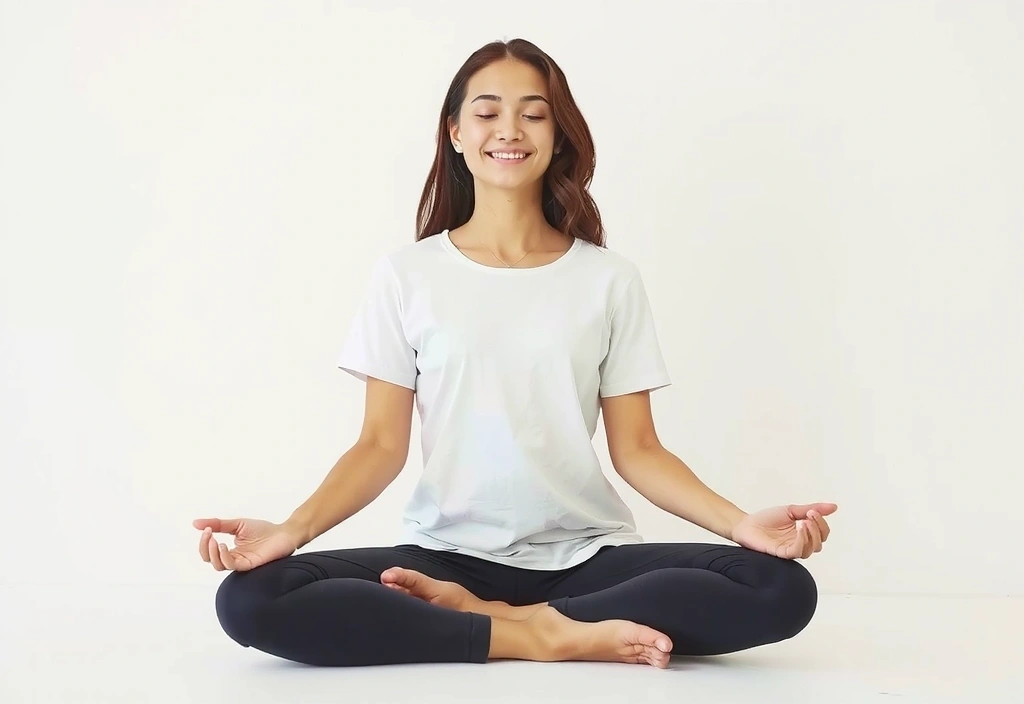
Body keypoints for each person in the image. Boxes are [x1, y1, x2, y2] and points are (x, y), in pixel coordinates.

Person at [194, 38, 837, 669]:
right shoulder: (407, 276)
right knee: (253, 599)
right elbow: (379, 445)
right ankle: (541, 636)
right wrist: (291, 531)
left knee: (778, 587)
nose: (510, 130)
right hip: (443, 558)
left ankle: (496, 621)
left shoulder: (608, 279)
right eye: (488, 112)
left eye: (534, 114)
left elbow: (639, 449)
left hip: (587, 558)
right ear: (455, 133)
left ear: (558, 136)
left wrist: (741, 526)